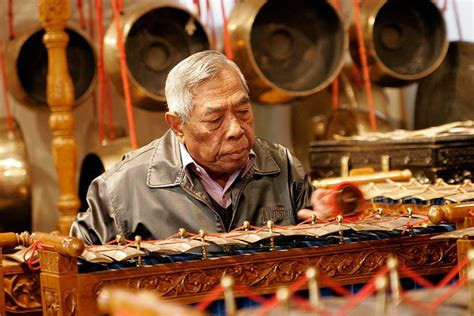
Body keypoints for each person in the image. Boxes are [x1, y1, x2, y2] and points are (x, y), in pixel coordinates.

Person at [70, 50, 331, 244]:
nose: (236, 130)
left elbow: (323, 241)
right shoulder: (120, 189)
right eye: (215, 119)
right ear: (177, 125)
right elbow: (74, 271)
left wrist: (334, 220)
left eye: (243, 111)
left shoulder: (281, 167)